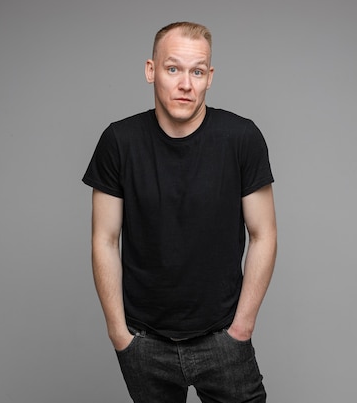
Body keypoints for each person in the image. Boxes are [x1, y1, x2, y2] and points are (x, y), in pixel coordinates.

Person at [83, 21, 277, 403]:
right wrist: (118, 334)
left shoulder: (241, 138)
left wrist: (243, 327)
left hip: (223, 338)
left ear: (209, 78)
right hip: (144, 342)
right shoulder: (118, 142)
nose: (185, 83)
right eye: (173, 69)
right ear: (151, 71)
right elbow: (104, 239)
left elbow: (264, 233)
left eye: (197, 71)